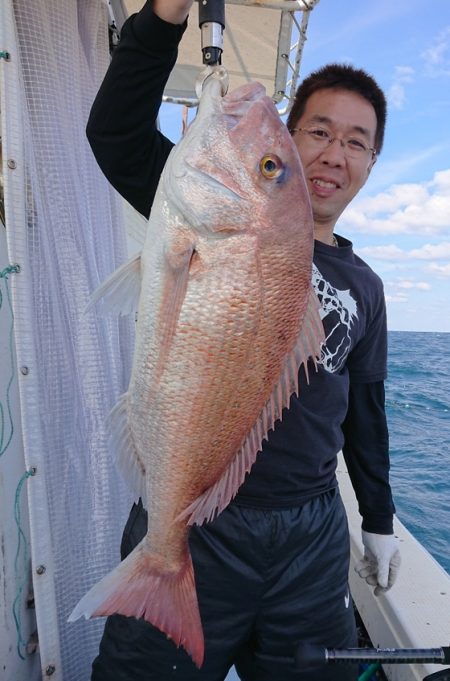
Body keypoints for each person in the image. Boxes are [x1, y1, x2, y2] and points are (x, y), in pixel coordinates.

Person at [85, 1, 401, 679]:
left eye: (356, 141)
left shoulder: (366, 286)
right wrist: (164, 19)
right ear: (289, 140)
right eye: (318, 132)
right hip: (198, 521)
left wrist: (378, 516)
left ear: (372, 161)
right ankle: (157, 566)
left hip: (311, 537)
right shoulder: (207, 207)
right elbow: (114, 132)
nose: (334, 154)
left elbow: (366, 415)